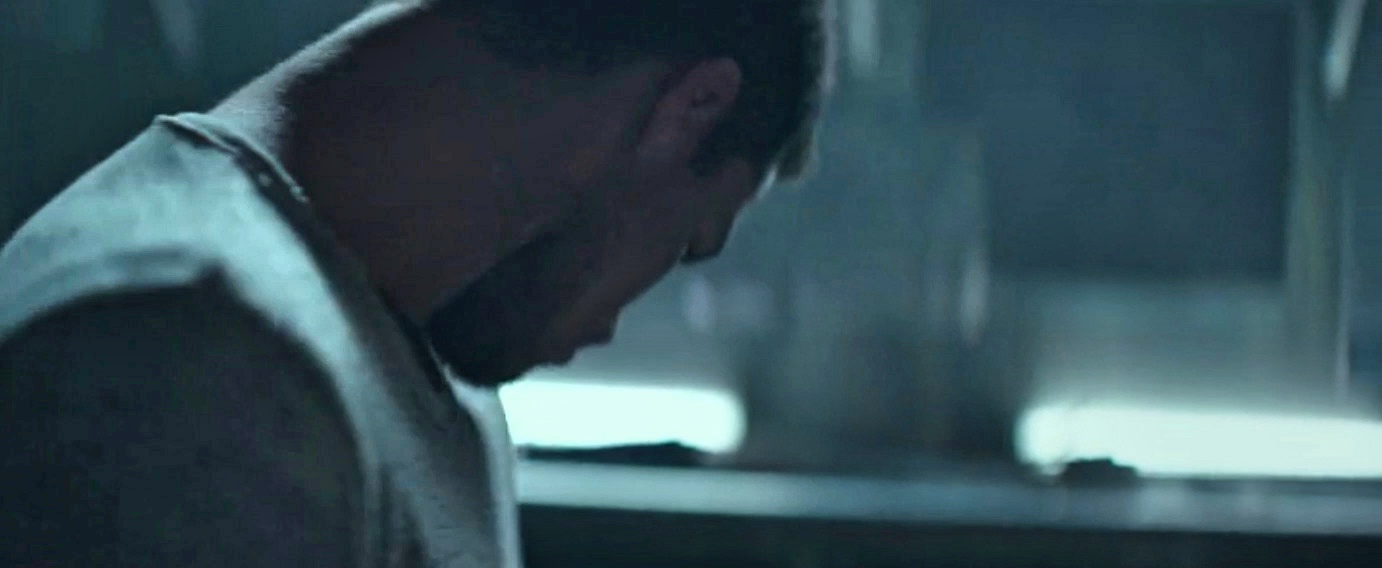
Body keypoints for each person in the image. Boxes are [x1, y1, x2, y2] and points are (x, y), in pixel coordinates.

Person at [0, 0, 829, 566]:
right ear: (691, 108)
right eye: (687, 242)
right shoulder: (191, 357)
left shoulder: (427, 331)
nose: (613, 324)